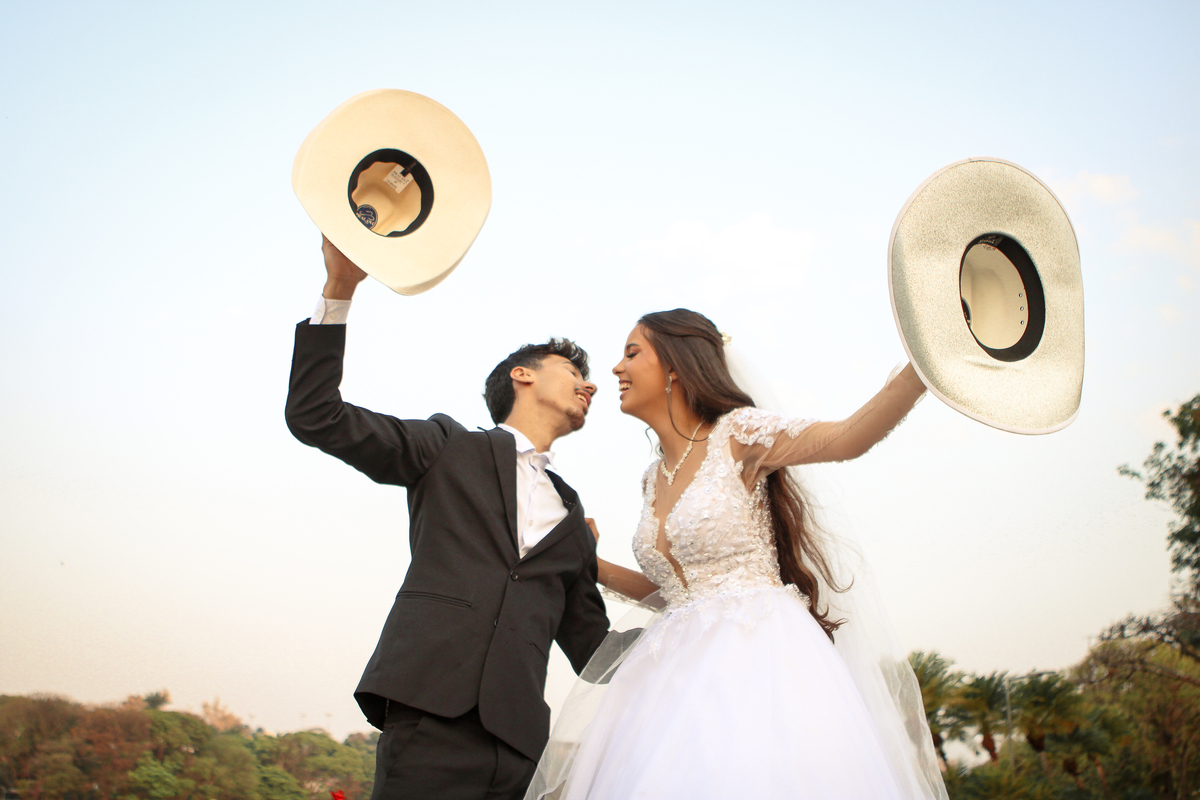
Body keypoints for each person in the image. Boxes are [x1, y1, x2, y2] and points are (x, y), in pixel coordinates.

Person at [525, 308, 948, 799]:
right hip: (670, 675)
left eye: (631, 353)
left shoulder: (737, 434)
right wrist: (588, 562)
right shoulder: (651, 477)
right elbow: (681, 591)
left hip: (757, 658)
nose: (616, 370)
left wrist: (925, 368)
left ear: (677, 366)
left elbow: (847, 437)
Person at [285, 237, 611, 800]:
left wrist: (706, 624)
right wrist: (339, 290)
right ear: (521, 376)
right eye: (570, 369)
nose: (591, 384)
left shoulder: (573, 516)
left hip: (519, 750)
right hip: (429, 716)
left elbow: (594, 649)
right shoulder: (446, 445)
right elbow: (318, 416)